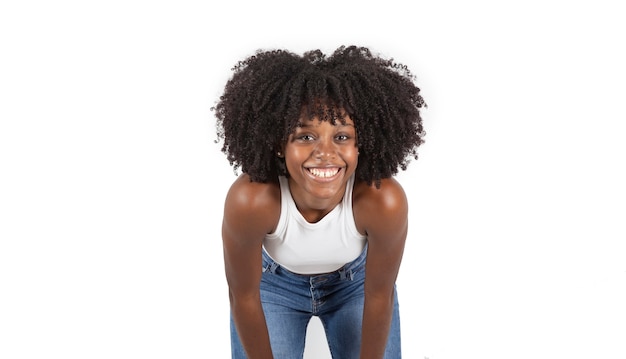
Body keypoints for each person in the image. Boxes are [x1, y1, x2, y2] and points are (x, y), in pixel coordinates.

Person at [212, 45, 426, 359]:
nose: (325, 153)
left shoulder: (382, 201)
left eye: (341, 137)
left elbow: (379, 296)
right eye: (305, 136)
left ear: (360, 143)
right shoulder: (252, 202)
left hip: (355, 288)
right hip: (273, 289)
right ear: (277, 144)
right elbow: (243, 296)